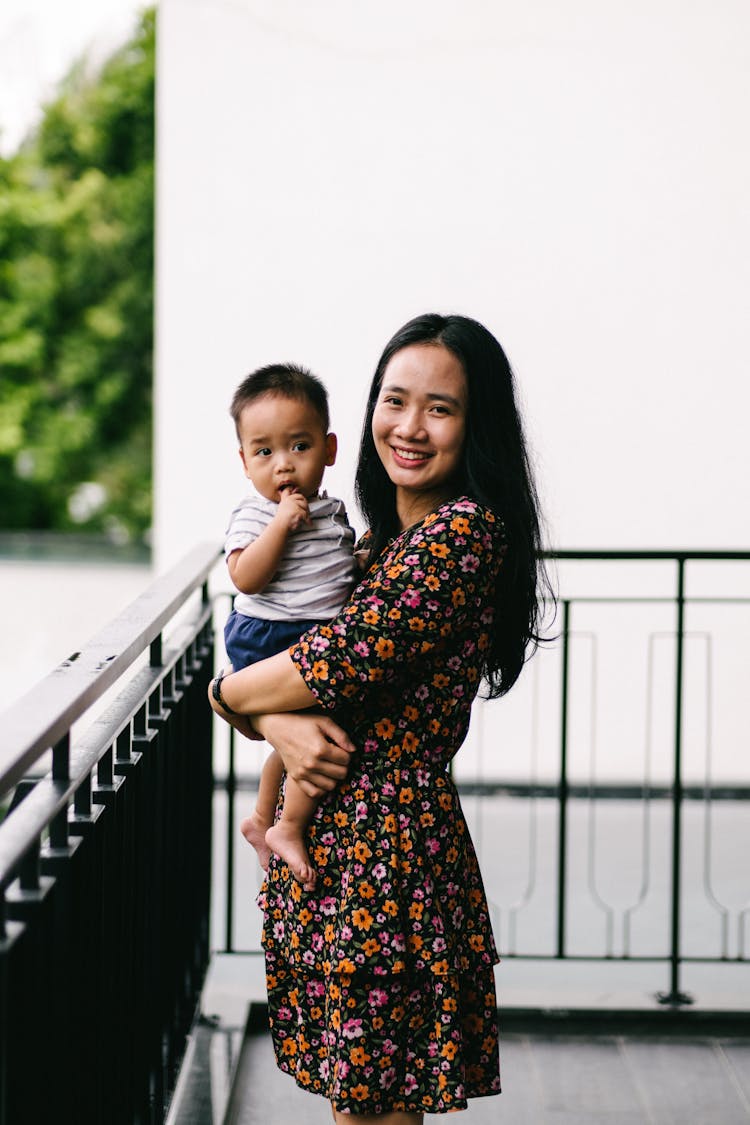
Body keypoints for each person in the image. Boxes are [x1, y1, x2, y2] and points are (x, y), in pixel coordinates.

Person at [209, 314, 552, 1123]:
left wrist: (231, 699)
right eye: (395, 400)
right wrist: (277, 722)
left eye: (440, 408)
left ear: (477, 427)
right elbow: (306, 676)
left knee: (378, 1104)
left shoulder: (460, 534)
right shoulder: (376, 542)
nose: (409, 426)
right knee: (362, 1101)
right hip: (343, 848)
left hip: (389, 858)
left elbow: (335, 664)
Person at [221, 362, 356, 889]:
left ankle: (262, 820)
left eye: (299, 447)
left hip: (311, 635)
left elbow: (333, 568)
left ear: (329, 450)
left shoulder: (331, 510)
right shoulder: (255, 515)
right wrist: (279, 526)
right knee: (324, 731)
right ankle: (289, 827)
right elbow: (245, 577)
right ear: (244, 461)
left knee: (294, 738)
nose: (283, 465)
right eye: (264, 452)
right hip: (272, 636)